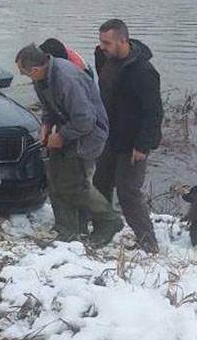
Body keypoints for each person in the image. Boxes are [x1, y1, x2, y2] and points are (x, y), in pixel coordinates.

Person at [16, 43, 122, 247]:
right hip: (68, 129)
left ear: (36, 69)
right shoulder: (42, 79)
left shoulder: (67, 79)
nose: (23, 76)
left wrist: (62, 136)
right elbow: (49, 108)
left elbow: (85, 119)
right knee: (55, 180)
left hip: (87, 136)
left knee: (76, 185)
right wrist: (46, 126)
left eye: (24, 72)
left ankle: (109, 221)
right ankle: (68, 230)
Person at [93, 18, 162, 254]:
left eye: (107, 42)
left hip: (133, 143)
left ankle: (148, 241)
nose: (102, 47)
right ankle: (104, 228)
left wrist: (143, 146)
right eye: (101, 41)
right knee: (99, 184)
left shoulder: (144, 72)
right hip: (108, 137)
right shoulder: (104, 57)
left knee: (128, 192)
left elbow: (154, 113)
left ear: (124, 41)